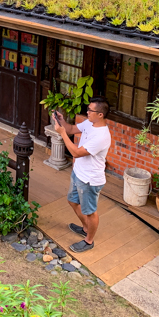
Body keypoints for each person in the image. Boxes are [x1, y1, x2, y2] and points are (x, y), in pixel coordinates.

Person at [52, 96, 111, 253]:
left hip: (90, 180)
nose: (87, 112)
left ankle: (89, 240)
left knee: (90, 212)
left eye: (90, 110)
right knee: (72, 201)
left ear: (100, 114)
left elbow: (76, 152)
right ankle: (86, 228)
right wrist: (62, 122)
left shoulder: (102, 136)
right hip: (78, 173)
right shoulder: (89, 123)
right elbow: (71, 129)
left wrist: (62, 133)